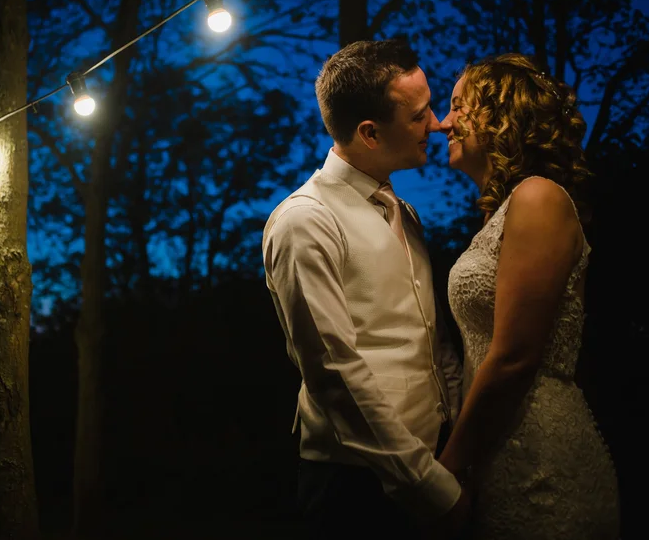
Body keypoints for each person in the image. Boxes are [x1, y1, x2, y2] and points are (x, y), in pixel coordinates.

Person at [262, 39, 470, 539]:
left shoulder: (405, 213)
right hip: (356, 485)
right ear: (370, 133)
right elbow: (334, 372)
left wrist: (457, 439)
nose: (439, 123)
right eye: (420, 115)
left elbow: (432, 341)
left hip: (435, 461)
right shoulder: (304, 221)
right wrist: (428, 486)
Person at [437, 53, 620, 539]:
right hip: (496, 451)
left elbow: (516, 356)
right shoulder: (502, 215)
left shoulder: (539, 197)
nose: (442, 123)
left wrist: (447, 471)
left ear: (502, 114)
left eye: (458, 106)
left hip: (540, 459)